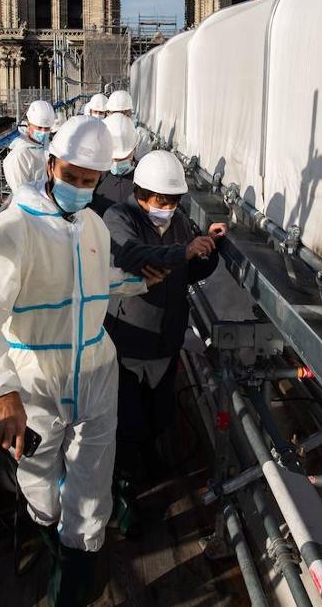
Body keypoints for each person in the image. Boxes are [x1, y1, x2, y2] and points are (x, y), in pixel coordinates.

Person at [0, 116, 153, 606]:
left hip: (95, 372)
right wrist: (1, 391)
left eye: (91, 181)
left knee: (91, 485)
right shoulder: (12, 230)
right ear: (50, 165)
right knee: (40, 480)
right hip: (35, 382)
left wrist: (144, 279)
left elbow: (94, 285)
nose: (81, 188)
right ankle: (52, 538)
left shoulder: (90, 226)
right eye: (73, 177)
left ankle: (76, 578)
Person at [102, 151, 227, 533]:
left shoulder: (176, 224)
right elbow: (133, 255)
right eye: (162, 201)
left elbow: (186, 269)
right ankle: (123, 503)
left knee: (158, 414)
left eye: (174, 201)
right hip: (128, 341)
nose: (168, 208)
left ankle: (150, 455)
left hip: (165, 339)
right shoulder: (118, 219)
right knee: (124, 424)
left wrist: (208, 247)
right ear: (141, 193)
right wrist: (184, 250)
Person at [91, 112, 138, 217]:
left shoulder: (143, 179)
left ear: (134, 149)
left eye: (123, 158)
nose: (117, 164)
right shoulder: (95, 179)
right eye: (114, 159)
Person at [3, 99, 56, 193]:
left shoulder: (44, 147)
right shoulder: (19, 155)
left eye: (47, 128)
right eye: (39, 127)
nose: (43, 132)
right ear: (28, 124)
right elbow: (22, 194)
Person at [104, 89, 151, 159]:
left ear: (128, 113)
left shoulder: (140, 134)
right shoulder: (101, 129)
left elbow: (143, 162)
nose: (117, 117)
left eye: (120, 113)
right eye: (113, 113)